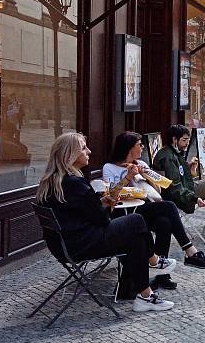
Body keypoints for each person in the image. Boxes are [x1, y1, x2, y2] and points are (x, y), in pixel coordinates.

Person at [36, 133, 175, 313]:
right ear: (70, 154)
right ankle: (154, 261)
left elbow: (83, 210)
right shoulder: (74, 183)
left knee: (136, 238)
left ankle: (144, 295)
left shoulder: (53, 182)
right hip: (82, 243)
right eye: (84, 148)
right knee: (137, 220)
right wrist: (107, 204)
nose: (89, 151)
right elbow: (102, 219)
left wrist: (104, 202)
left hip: (65, 245)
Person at [102, 132, 205, 291]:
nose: (142, 147)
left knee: (165, 223)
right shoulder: (109, 167)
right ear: (129, 148)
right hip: (123, 212)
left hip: (143, 208)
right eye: (139, 144)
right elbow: (111, 196)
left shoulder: (141, 163)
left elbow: (158, 190)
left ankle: (162, 275)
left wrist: (145, 174)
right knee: (169, 207)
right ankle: (189, 251)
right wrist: (128, 177)